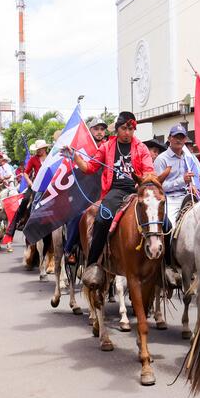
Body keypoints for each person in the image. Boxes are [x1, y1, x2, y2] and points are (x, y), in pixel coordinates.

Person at [69, 111, 155, 287]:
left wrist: (143, 181)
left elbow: (149, 171)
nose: (127, 132)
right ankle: (93, 265)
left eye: (131, 129)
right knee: (101, 220)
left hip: (138, 190)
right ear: (117, 129)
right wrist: (74, 157)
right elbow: (89, 167)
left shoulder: (141, 148)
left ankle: (167, 265)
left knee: (164, 220)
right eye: (124, 128)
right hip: (116, 191)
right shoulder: (107, 147)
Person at [63, 120, 109, 264]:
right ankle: (70, 248)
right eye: (96, 129)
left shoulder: (109, 147)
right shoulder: (81, 149)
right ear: (89, 131)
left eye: (102, 129)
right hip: (84, 191)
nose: (100, 132)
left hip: (105, 192)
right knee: (78, 215)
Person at [155, 124, 200, 228]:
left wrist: (193, 186)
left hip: (187, 196)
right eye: (175, 137)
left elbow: (195, 180)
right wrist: (182, 181)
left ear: (185, 139)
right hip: (170, 199)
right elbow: (159, 187)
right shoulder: (161, 159)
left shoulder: (188, 158)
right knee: (171, 227)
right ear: (169, 138)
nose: (179, 140)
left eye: (181, 137)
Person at [4, 140, 49, 241]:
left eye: (40, 149)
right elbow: (25, 172)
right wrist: (30, 182)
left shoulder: (51, 157)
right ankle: (19, 223)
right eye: (37, 149)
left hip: (51, 184)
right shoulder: (33, 159)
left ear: (45, 149)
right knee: (25, 200)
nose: (38, 151)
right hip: (36, 185)